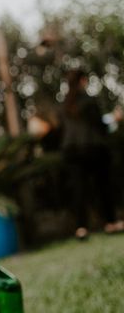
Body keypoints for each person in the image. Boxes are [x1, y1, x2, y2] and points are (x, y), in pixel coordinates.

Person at [60, 69, 124, 240]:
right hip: (92, 148)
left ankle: (81, 227)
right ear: (83, 80)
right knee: (102, 185)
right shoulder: (89, 101)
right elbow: (100, 126)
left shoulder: (66, 104)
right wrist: (115, 120)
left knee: (79, 189)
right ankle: (110, 222)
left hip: (71, 150)